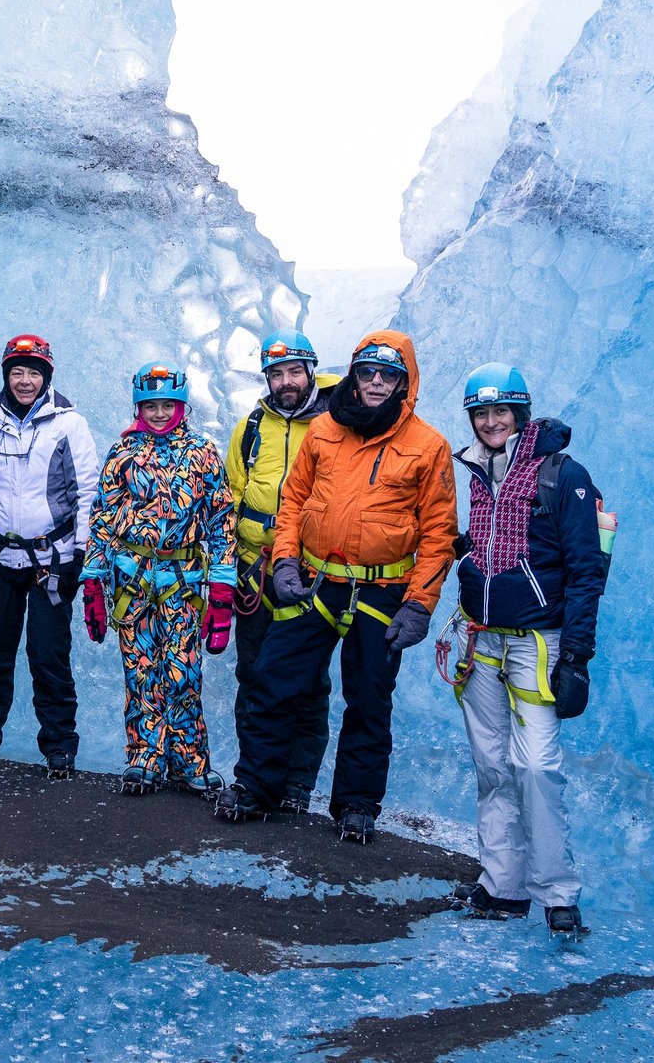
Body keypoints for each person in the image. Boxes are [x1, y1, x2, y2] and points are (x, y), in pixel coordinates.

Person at [214, 330, 457, 844]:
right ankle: (256, 787)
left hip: (381, 591)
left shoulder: (427, 446)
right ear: (353, 374)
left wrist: (419, 605)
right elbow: (294, 503)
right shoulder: (326, 430)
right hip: (316, 581)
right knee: (272, 683)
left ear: (404, 383)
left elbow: (439, 533)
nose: (374, 383)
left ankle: (355, 806)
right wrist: (283, 563)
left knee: (369, 702)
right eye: (366, 372)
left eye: (387, 375)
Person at [443, 363, 608, 938]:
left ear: (521, 414)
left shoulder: (563, 475)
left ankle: (559, 894)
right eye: (481, 413)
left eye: (501, 412)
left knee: (536, 765)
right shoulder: (479, 471)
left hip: (540, 642)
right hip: (482, 638)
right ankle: (502, 885)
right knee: (491, 764)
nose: (491, 422)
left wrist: (577, 656)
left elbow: (587, 570)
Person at [0, 334, 99, 778]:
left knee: (48, 654)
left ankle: (59, 743)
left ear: (46, 376)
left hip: (50, 561)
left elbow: (87, 493)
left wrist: (79, 554)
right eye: (17, 371)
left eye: (34, 372)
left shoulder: (69, 424)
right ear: (6, 375)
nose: (25, 380)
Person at [80, 362, 238, 795]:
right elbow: (102, 517)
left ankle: (189, 760)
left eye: (168, 404)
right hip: (133, 578)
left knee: (184, 670)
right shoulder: (122, 452)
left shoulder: (204, 452)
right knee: (140, 670)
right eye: (150, 405)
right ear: (138, 405)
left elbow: (221, 520)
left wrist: (222, 588)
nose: (159, 412)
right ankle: (144, 756)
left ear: (183, 405)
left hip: (184, 580)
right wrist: (93, 579)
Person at [224, 330, 342, 812]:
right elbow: (231, 491)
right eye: (277, 374)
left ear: (312, 372)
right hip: (256, 569)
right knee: (252, 674)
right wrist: (231, 558)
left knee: (308, 680)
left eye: (295, 371)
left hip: (311, 570)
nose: (287, 381)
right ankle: (256, 778)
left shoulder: (338, 422)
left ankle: (297, 783)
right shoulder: (252, 425)